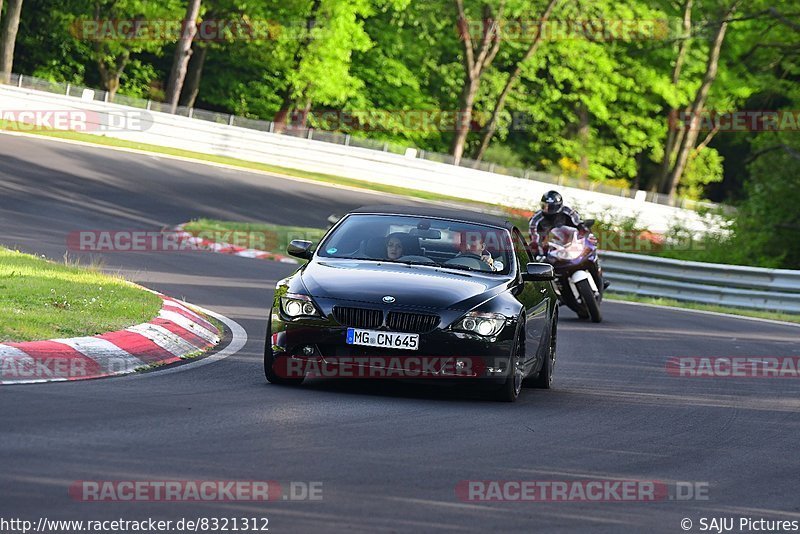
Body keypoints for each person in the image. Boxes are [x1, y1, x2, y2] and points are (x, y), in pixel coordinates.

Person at [528, 190, 587, 256]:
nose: (546, 209)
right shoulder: (535, 219)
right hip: (549, 252)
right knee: (534, 252)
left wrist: (584, 236)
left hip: (570, 248)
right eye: (544, 206)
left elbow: (581, 225)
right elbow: (534, 239)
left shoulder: (568, 212)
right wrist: (540, 254)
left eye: (550, 207)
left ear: (558, 206)